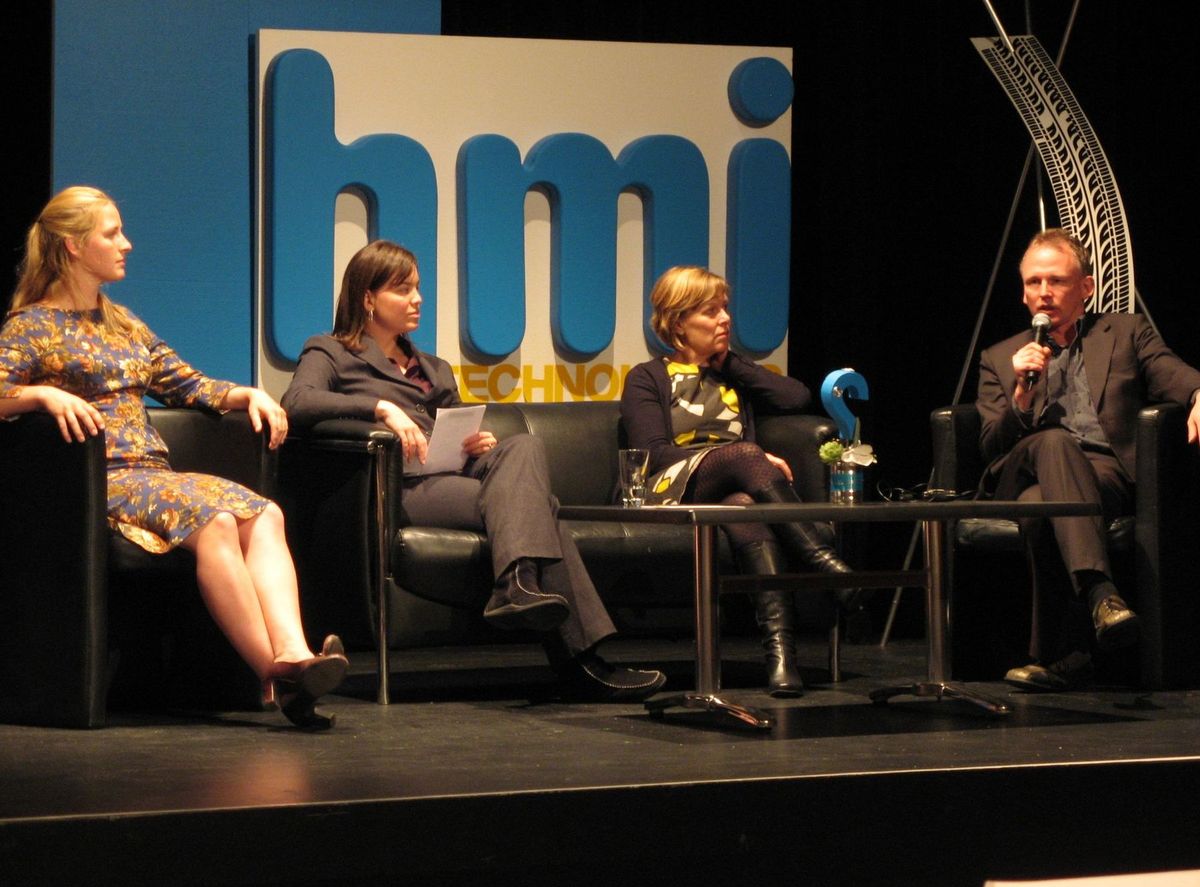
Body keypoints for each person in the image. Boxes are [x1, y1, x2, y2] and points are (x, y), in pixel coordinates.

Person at [0, 186, 348, 729]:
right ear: (71, 246)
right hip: (95, 482)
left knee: (265, 514)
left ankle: (296, 654)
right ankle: (276, 678)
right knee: (213, 522)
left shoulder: (124, 324)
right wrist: (41, 395)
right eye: (112, 233)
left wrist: (246, 394)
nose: (127, 244)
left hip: (152, 476)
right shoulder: (30, 327)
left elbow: (187, 384)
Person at [281, 239, 666, 703]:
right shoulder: (330, 351)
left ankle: (520, 587)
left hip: (452, 476)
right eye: (403, 290)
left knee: (520, 445)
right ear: (368, 298)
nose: (418, 299)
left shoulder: (434, 368)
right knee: (543, 511)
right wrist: (381, 406)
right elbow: (298, 402)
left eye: (418, 288)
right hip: (399, 486)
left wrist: (472, 443)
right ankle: (580, 661)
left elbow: (453, 426)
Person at [977, 227, 1200, 692]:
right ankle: (1102, 595)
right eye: (1034, 282)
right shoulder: (1000, 357)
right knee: (1054, 443)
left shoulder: (1124, 332)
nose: (1044, 292)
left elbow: (1173, 374)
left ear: (1085, 288)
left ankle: (1061, 656)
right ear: (1022, 292)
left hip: (1102, 473)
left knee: (1044, 509)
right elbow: (990, 446)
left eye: (1056, 281)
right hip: (1020, 469)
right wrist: (1021, 394)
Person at [620, 265, 859, 697]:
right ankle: (824, 565)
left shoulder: (732, 373)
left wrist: (730, 362)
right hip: (669, 490)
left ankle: (781, 657)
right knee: (746, 455)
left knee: (745, 509)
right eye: (711, 312)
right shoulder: (647, 377)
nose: (725, 319)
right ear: (678, 323)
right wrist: (735, 456)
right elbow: (653, 452)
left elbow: (796, 398)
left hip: (734, 491)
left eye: (725, 309)